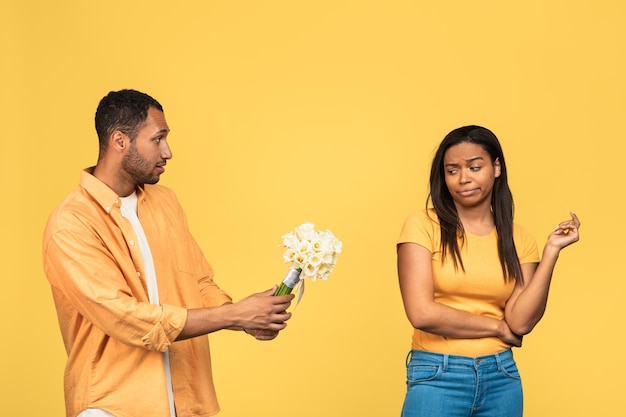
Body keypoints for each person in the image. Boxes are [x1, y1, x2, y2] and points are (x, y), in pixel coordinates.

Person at [42, 89, 294, 417]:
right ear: (120, 141)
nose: (168, 152)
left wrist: (247, 316)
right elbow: (125, 318)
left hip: (185, 401)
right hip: (111, 406)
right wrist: (233, 315)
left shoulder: (166, 202)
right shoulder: (71, 223)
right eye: (157, 139)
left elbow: (198, 284)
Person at [397, 125, 580, 417]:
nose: (463, 178)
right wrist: (496, 327)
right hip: (437, 374)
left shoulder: (518, 238)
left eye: (474, 166)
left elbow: (520, 323)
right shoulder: (422, 225)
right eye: (452, 170)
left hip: (501, 376)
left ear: (496, 167)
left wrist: (551, 253)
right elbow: (421, 312)